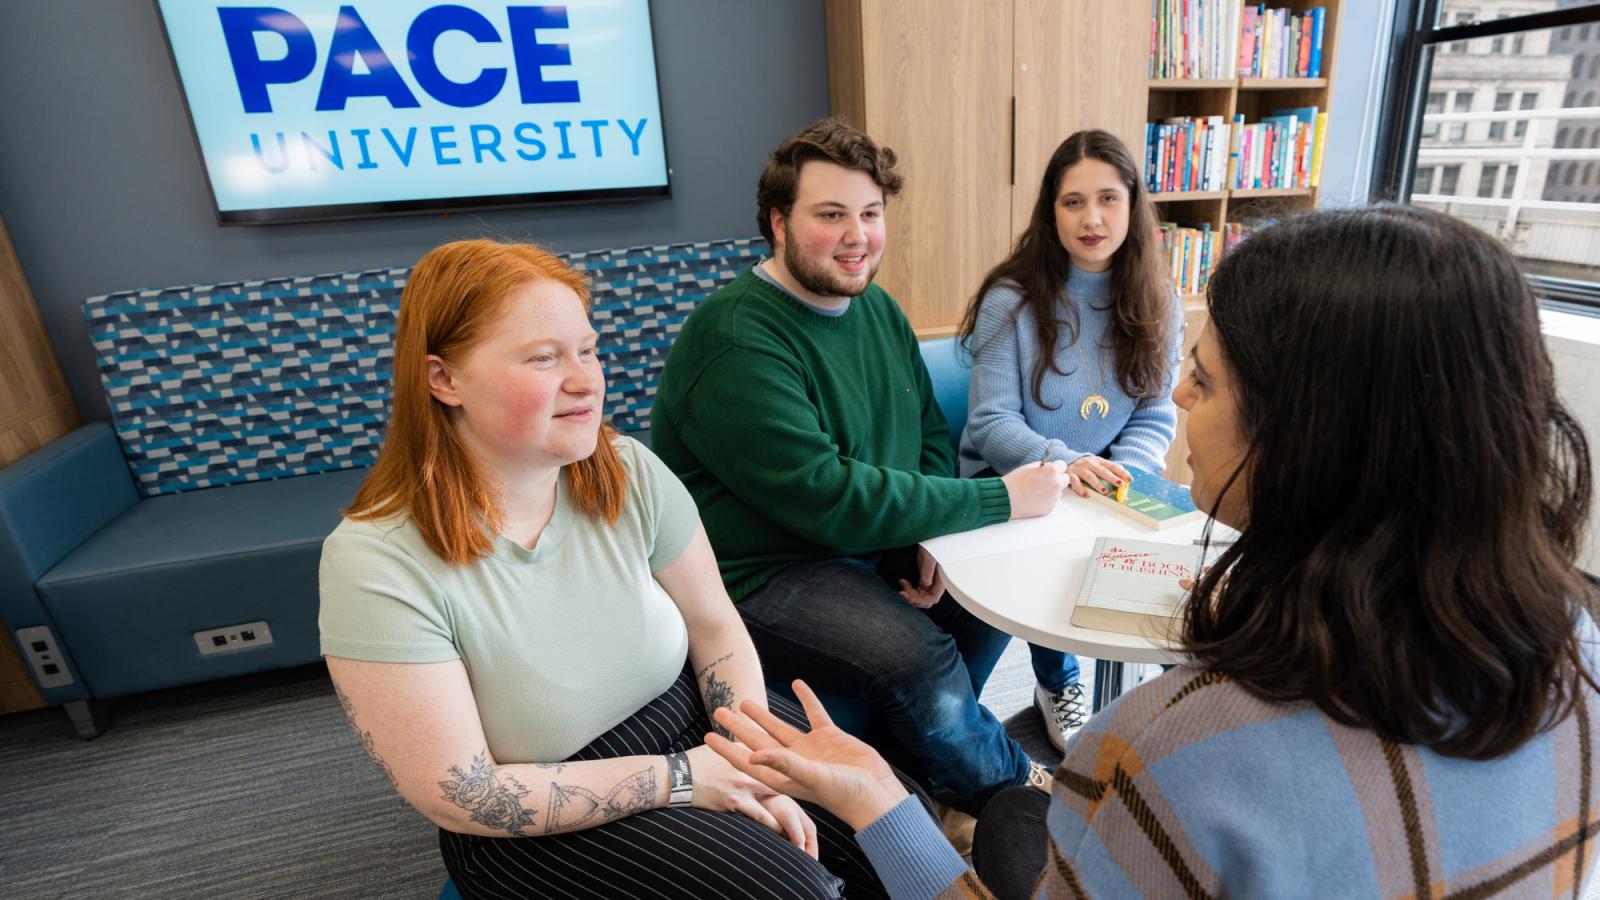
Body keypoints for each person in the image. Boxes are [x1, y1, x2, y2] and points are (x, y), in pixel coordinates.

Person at [704, 205, 1600, 898]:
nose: (1177, 391)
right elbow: (914, 454)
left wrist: (876, 802)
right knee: (984, 748)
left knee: (1021, 813)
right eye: (831, 214)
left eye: (1203, 381)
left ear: (1312, 438)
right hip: (828, 557)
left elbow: (928, 450)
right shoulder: (1578, 646)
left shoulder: (1172, 746)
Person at [318, 239, 898, 899]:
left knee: (892, 822)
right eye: (543, 358)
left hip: (692, 724)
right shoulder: (375, 563)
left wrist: (745, 750)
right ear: (444, 380)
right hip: (540, 814)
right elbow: (465, 794)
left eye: (587, 350)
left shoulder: (626, 470)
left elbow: (714, 624)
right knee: (803, 892)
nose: (587, 379)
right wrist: (686, 779)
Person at [649, 118, 1072, 821]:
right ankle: (1015, 800)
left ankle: (931, 772)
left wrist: (931, 535)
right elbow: (827, 497)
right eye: (831, 215)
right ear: (778, 224)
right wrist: (998, 500)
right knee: (919, 660)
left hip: (857, 542)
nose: (858, 235)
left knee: (994, 594)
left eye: (870, 214)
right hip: (765, 568)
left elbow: (928, 437)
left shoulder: (876, 308)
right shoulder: (734, 337)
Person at [958, 129, 1182, 752]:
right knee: (1044, 570)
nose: (1091, 219)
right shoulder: (1013, 299)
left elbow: (1154, 413)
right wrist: (1069, 467)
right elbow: (992, 425)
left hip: (1111, 476)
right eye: (1073, 202)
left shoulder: (1158, 298)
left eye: (1108, 199)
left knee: (1173, 575)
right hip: (1016, 475)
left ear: (1133, 205)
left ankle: (1174, 704)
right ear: (1049, 211)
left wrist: (1121, 475)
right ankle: (1056, 679)